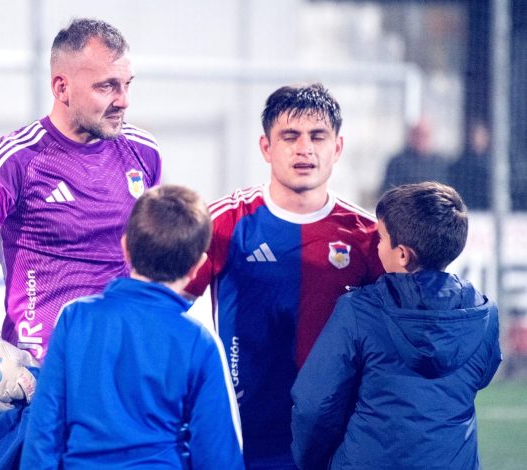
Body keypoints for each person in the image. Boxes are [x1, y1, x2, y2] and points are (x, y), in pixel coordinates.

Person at [0, 18, 161, 469]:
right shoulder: (13, 161)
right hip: (42, 385)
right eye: (107, 86)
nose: (123, 101)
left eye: (127, 84)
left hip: (124, 381)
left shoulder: (144, 153)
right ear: (61, 87)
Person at [184, 83, 384, 469]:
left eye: (317, 136)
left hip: (337, 442)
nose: (304, 148)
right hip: (242, 437)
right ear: (266, 147)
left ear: (337, 148)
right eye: (289, 136)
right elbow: (163, 309)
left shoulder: (366, 236)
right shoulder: (222, 222)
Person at [20, 185, 243, 469]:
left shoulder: (74, 318)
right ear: (197, 266)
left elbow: (43, 432)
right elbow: (218, 454)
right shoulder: (199, 341)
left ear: (125, 247)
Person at [291, 182, 501, 469]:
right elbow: (480, 375)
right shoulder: (483, 313)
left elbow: (313, 406)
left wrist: (311, 462)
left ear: (402, 254)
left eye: (380, 238)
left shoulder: (358, 311)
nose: (376, 246)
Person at [379, 118, 450, 194]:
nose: (421, 139)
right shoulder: (397, 163)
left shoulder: (441, 163)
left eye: (425, 135)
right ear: (411, 135)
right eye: (418, 134)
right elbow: (388, 193)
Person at [450, 120, 491, 210]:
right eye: (475, 136)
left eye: (481, 136)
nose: (477, 140)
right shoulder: (461, 163)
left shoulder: (492, 163)